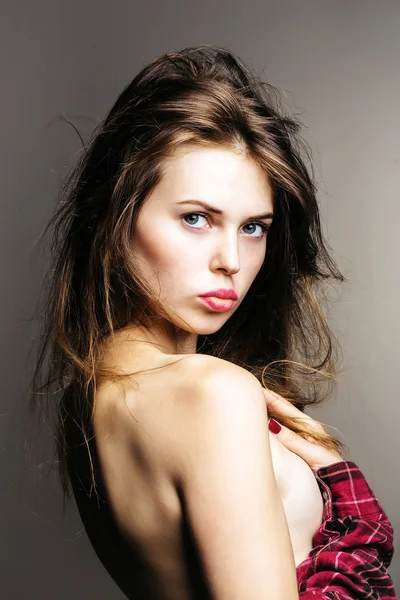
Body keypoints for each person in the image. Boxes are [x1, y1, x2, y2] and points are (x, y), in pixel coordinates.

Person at [28, 45, 396, 599]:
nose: (231, 258)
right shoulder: (213, 394)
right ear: (117, 217)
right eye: (196, 218)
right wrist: (347, 498)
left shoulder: (93, 392)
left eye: (254, 228)